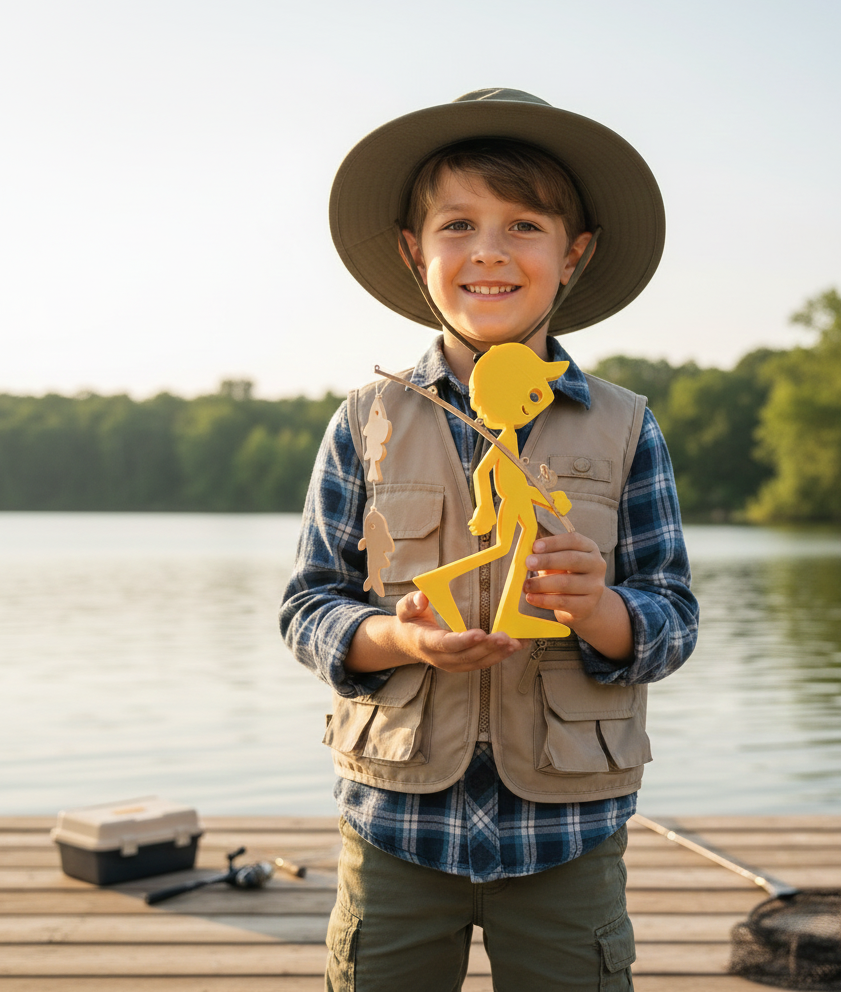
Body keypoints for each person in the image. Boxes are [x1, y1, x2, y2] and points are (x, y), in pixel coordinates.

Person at [280, 87, 699, 992]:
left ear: (574, 253)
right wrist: (397, 638)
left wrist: (600, 610)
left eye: (525, 226)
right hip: (395, 825)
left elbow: (673, 619)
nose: (489, 251)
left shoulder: (627, 426)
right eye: (458, 225)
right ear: (414, 250)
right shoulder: (364, 420)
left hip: (568, 835)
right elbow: (308, 608)